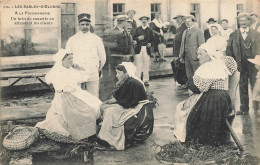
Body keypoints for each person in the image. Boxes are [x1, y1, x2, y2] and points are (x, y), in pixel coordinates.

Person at [174, 43, 238, 147]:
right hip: (222, 99)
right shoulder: (219, 65)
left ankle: (201, 144)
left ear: (209, 55)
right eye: (197, 54)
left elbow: (198, 87)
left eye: (200, 54)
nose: (198, 56)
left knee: (192, 116)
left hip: (215, 99)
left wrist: (190, 82)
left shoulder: (210, 67)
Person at [36, 49, 102, 141]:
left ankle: (92, 132)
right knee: (86, 112)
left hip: (74, 93)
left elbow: (84, 77)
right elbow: (57, 84)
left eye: (72, 58)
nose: (71, 60)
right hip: (65, 96)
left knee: (97, 105)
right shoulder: (58, 71)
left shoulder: (71, 70)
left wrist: (80, 68)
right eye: (69, 59)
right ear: (61, 61)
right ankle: (87, 135)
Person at [97, 62, 154, 150]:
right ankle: (105, 135)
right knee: (109, 110)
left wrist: (105, 103)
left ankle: (109, 139)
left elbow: (128, 102)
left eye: (119, 73)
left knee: (110, 112)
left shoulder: (132, 83)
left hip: (139, 109)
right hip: (133, 105)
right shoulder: (129, 80)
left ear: (126, 73)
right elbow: (122, 98)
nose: (116, 76)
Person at [226, 13, 260, 115]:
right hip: (240, 65)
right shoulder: (234, 34)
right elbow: (229, 50)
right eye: (241, 21)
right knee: (242, 86)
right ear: (238, 22)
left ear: (249, 22)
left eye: (245, 20)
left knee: (256, 86)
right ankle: (244, 108)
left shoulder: (256, 34)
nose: (243, 23)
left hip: (254, 65)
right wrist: (232, 64)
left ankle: (257, 108)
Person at [66, 13, 106, 98]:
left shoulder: (96, 39)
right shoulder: (72, 39)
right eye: (82, 24)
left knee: (94, 95)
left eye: (87, 24)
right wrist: (72, 68)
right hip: (77, 71)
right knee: (76, 94)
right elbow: (67, 56)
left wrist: (97, 68)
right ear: (78, 25)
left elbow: (102, 57)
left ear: (90, 25)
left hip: (92, 70)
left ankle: (94, 111)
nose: (85, 27)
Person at [133, 15, 154, 86]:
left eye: (145, 19)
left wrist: (150, 44)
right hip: (138, 49)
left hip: (146, 49)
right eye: (142, 20)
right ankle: (138, 79)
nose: (144, 21)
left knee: (146, 65)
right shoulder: (137, 29)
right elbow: (133, 38)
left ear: (147, 21)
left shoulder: (150, 30)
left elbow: (153, 40)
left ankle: (145, 80)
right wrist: (138, 38)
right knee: (138, 65)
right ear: (141, 21)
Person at [172, 14, 188, 88]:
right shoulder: (178, 27)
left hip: (181, 51)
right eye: (176, 19)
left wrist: (181, 53)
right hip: (177, 51)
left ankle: (185, 82)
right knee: (179, 66)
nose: (177, 20)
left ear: (182, 19)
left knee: (182, 67)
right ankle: (182, 82)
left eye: (178, 18)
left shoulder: (184, 26)